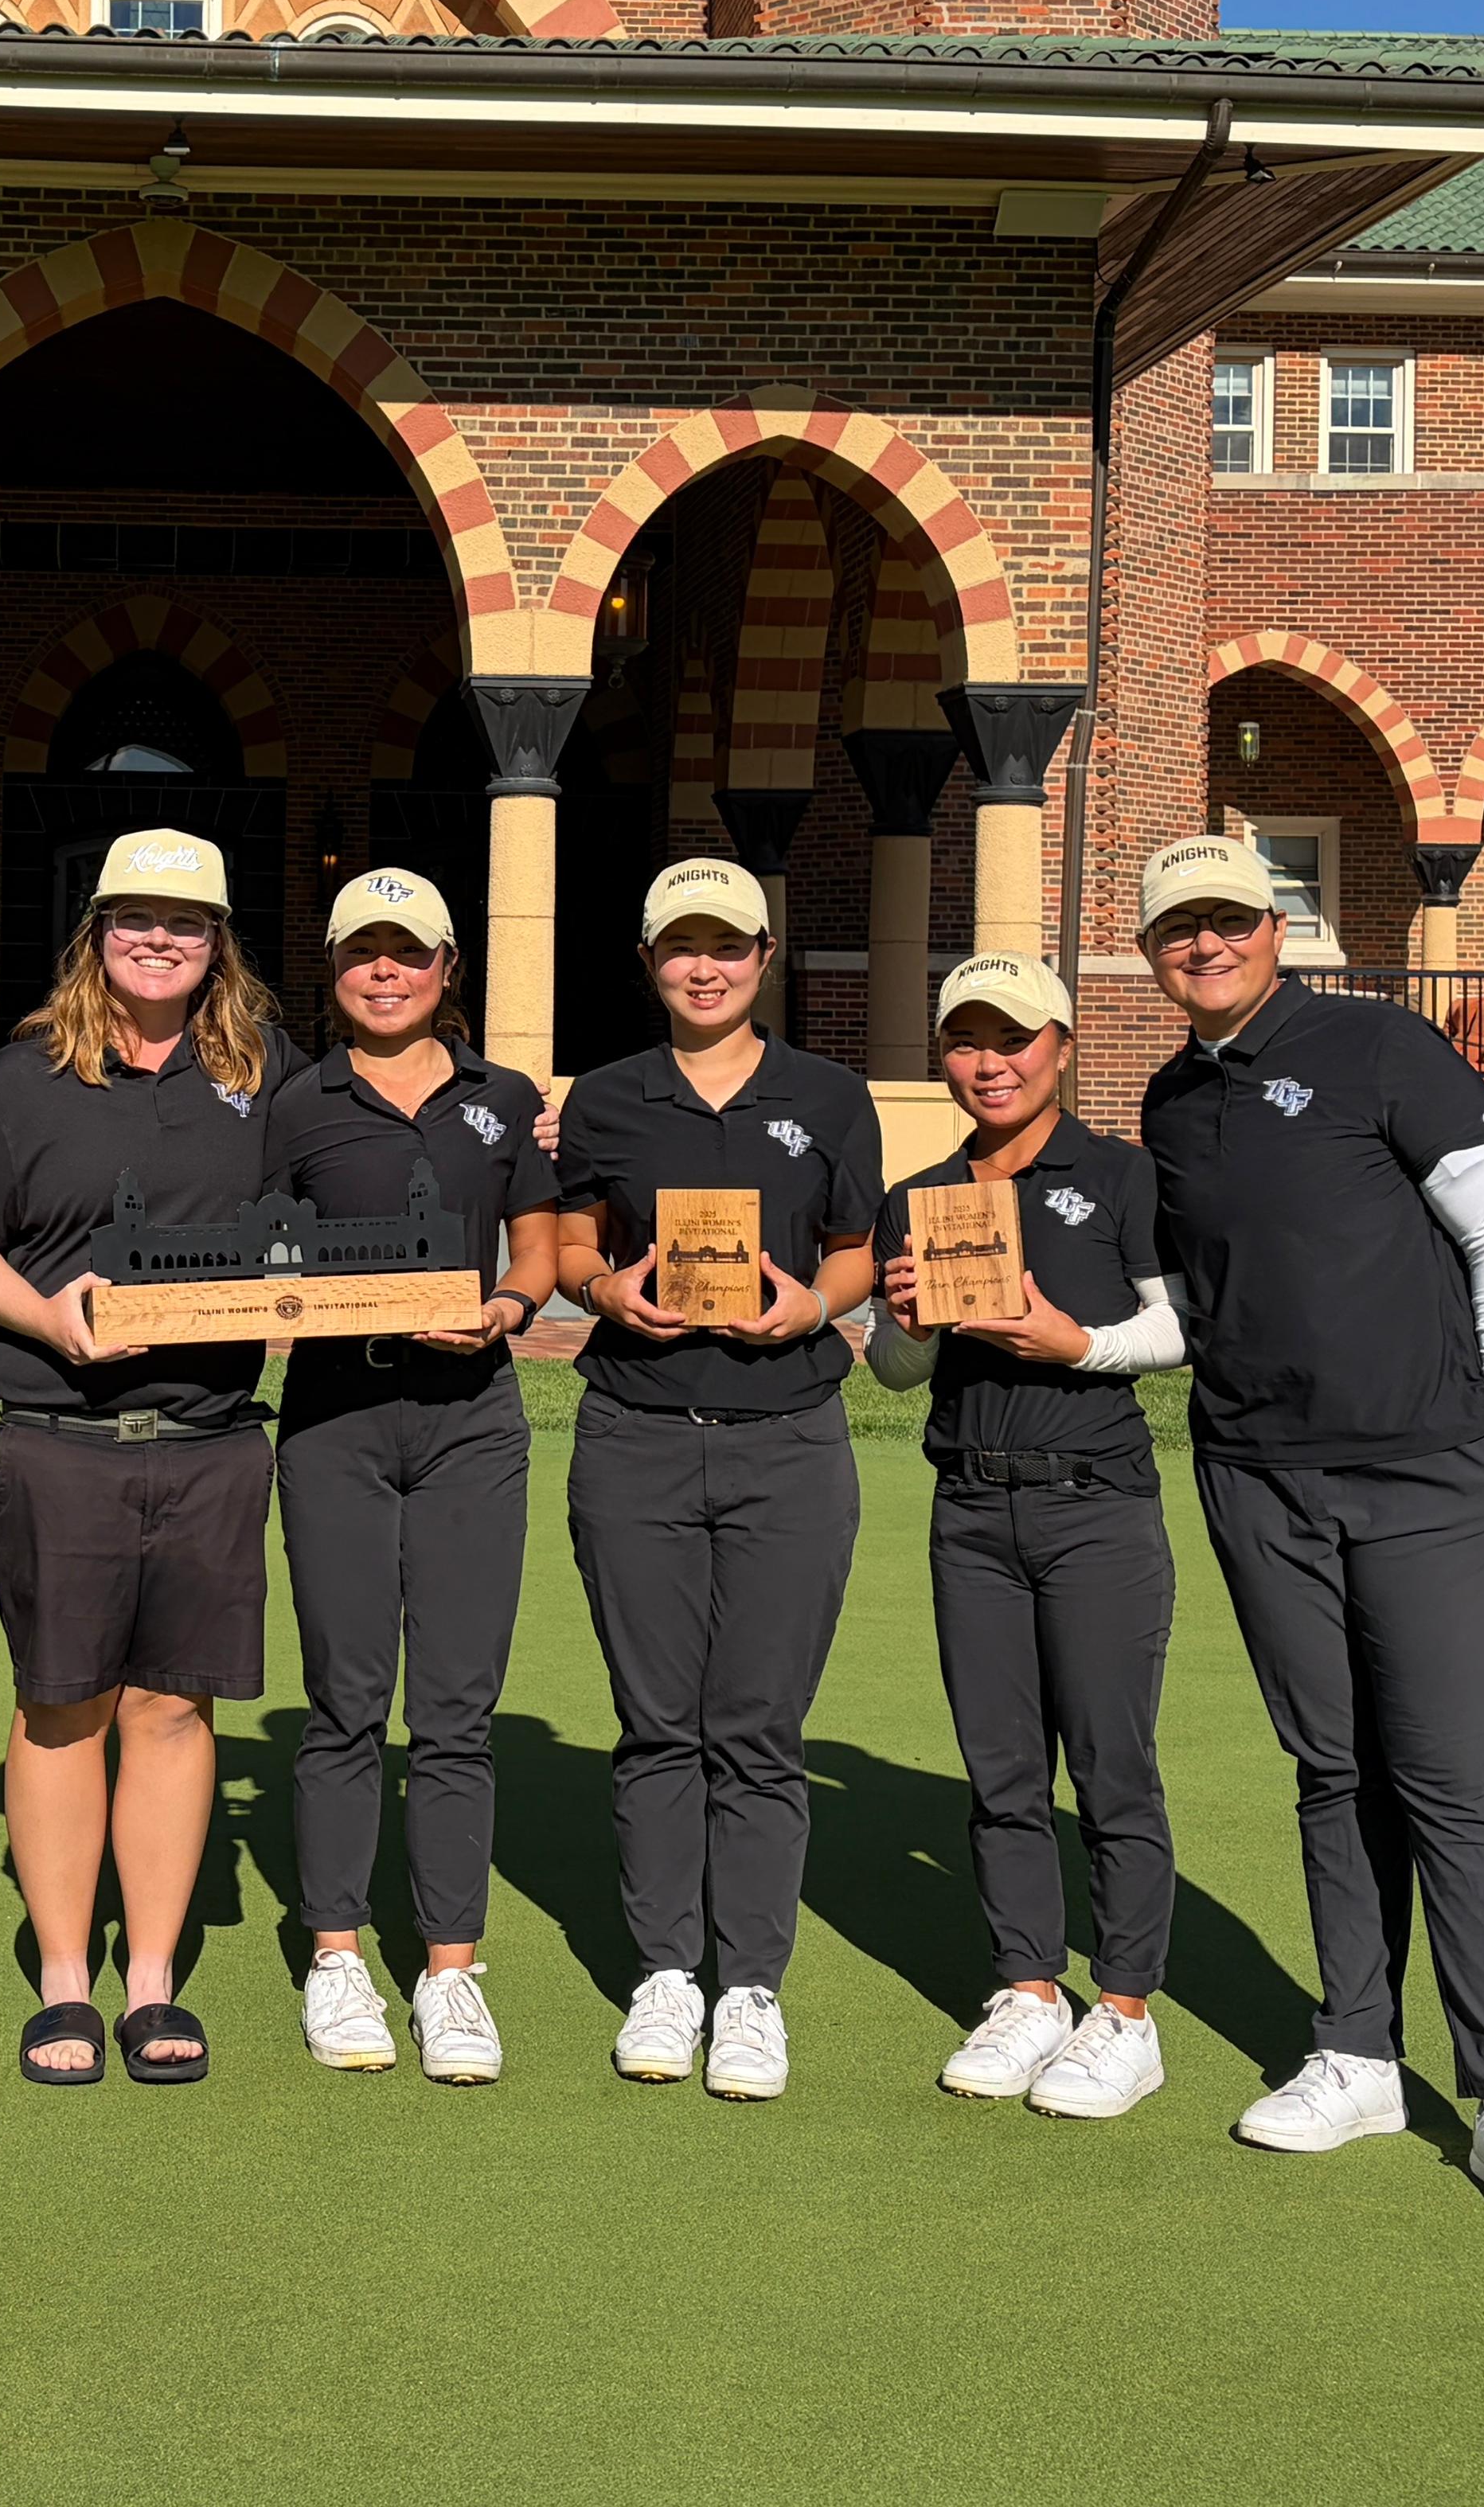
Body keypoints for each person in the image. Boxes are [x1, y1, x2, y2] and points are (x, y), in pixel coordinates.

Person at [1132, 832, 1484, 2232]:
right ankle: (1355, 2050)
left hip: (1434, 1473)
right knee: (1332, 1771)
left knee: (1457, 1786)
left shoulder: (1379, 1049)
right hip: (1261, 1479)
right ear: (1154, 953)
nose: (1203, 945)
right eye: (1177, 930)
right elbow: (1186, 1306)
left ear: (1274, 927)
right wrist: (1052, 1333)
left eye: (1225, 920)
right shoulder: (1168, 1101)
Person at [0, 829, 298, 2084]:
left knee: (174, 1709)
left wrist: (517, 1130)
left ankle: (153, 1981)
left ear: (218, 943)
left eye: (185, 924)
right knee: (61, 1704)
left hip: (211, 1440)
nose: (158, 939)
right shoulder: (27, 1073)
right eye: (135, 918)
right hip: (60, 1438)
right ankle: (66, 1980)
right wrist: (43, 1316)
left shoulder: (264, 1073)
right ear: (95, 929)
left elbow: (369, 1160)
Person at [550, 857, 881, 2102]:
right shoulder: (609, 1098)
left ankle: (748, 1989)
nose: (705, 967)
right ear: (649, 962)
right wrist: (601, 1287)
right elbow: (576, 1230)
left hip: (789, 1437)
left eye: (728, 946)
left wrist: (813, 1305)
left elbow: (855, 1247)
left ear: (763, 957)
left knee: (756, 1725)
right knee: (656, 1723)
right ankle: (666, 1974)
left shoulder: (830, 1095)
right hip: (634, 1432)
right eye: (681, 946)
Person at [866, 952, 1185, 2121]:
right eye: (965, 1040)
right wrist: (902, 1323)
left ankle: (1128, 2010)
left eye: (1013, 1040)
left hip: (1095, 1500)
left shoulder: (1118, 1178)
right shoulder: (924, 1193)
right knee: (1001, 1773)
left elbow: (1179, 1328)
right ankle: (1027, 1989)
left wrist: (1075, 1343)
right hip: (972, 1506)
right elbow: (896, 1371)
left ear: (1061, 1046)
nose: (989, 1063)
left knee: (1112, 1766)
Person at [258, 866, 560, 2085]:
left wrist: (509, 1304)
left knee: (455, 1704)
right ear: (333, 975)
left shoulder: (508, 1099)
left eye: (409, 953)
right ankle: (337, 1953)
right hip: (335, 1412)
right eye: (361, 955)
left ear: (448, 970)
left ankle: (449, 1968)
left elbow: (537, 1236)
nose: (384, 973)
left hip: (469, 1418)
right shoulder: (295, 1102)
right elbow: (264, 1249)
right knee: (342, 1694)